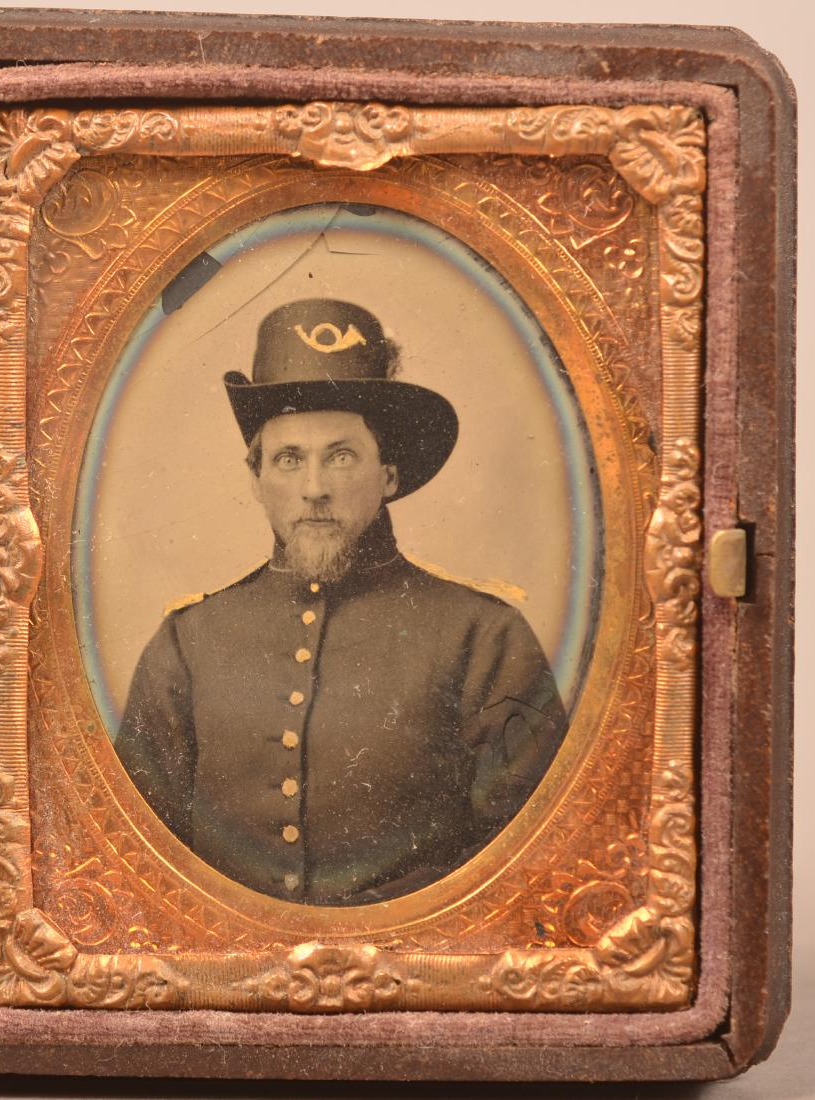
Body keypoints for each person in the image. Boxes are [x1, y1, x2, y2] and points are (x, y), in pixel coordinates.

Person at [115, 298, 567, 906]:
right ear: (257, 481)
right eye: (288, 459)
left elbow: (529, 862)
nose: (314, 488)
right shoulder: (187, 641)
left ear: (388, 476)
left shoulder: (485, 635)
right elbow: (135, 858)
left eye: (342, 456)